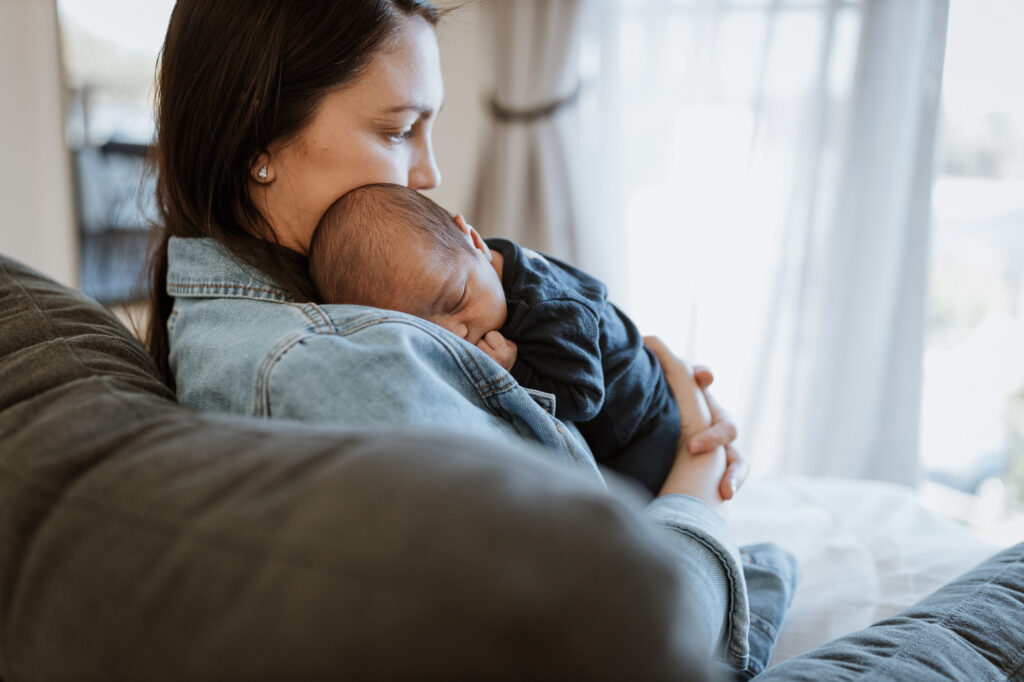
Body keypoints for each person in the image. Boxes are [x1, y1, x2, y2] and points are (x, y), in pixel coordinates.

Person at [145, 1, 1024, 679]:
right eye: (396, 127)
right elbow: (640, 629)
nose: (430, 171)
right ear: (259, 136)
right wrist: (695, 487)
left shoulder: (254, 320)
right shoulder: (331, 367)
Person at [308, 182, 682, 496]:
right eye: (429, 330)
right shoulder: (466, 269)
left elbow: (585, 399)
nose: (456, 334)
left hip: (642, 426)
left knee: (633, 520)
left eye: (456, 300)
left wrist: (514, 367)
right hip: (618, 416)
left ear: (473, 239)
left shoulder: (551, 308)